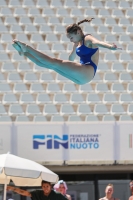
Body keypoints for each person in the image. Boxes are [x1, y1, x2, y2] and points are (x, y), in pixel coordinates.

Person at [12, 18, 121, 85]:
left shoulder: (88, 38)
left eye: (71, 37)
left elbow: (98, 43)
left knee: (53, 61)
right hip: (81, 77)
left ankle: (26, 47)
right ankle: (25, 53)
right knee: (52, 66)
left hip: (87, 70)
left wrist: (110, 46)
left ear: (78, 32)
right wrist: (74, 48)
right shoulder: (77, 43)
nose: (70, 40)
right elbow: (71, 60)